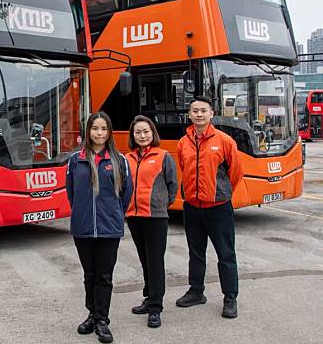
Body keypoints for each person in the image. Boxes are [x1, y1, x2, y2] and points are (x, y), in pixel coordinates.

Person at [66, 111, 133, 343]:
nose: (99, 133)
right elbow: (71, 193)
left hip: (109, 229)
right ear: (88, 131)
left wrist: (113, 215)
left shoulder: (119, 160)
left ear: (109, 132)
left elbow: (125, 195)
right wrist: (82, 213)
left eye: (104, 129)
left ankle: (102, 320)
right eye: (95, 128)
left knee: (104, 275)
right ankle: (92, 314)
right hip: (82, 228)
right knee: (89, 274)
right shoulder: (76, 160)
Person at [175, 96, 243, 318]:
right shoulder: (183, 142)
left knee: (226, 254)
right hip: (192, 208)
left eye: (203, 110)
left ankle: (230, 297)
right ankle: (196, 292)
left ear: (212, 114)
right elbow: (183, 168)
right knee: (196, 253)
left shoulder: (224, 141)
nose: (199, 114)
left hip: (219, 208)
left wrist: (219, 193)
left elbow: (235, 173)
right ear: (189, 114)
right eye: (195, 110)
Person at [125, 115, 178, 328]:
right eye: (138, 132)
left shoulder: (164, 156)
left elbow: (172, 186)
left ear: (152, 133)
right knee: (145, 260)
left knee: (155, 262)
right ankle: (149, 298)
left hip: (155, 217)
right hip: (134, 217)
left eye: (146, 131)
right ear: (133, 136)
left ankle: (155, 308)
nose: (142, 136)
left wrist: (161, 203)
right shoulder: (126, 158)